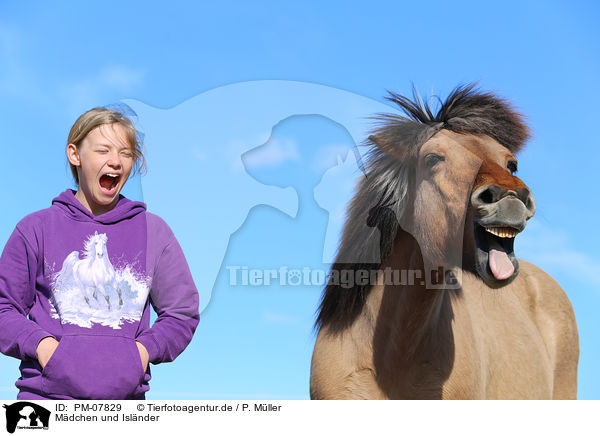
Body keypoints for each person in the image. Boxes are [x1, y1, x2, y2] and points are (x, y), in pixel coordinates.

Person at [0, 107, 200, 400]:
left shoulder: (154, 232)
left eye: (126, 152)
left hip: (126, 411)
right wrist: (44, 348)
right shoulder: (35, 228)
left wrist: (141, 353)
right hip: (43, 404)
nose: (115, 161)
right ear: (75, 155)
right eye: (103, 150)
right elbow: (3, 308)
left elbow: (181, 314)